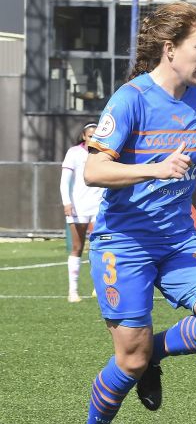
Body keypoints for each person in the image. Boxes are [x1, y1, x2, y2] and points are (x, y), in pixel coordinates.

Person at [74, 1, 196, 424]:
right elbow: (94, 170)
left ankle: (154, 355)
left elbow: (190, 170)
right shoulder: (130, 98)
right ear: (170, 49)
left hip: (178, 240)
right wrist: (154, 168)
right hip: (123, 243)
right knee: (127, 360)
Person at [60, 122, 105, 302]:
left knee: (101, 247)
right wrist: (66, 202)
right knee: (77, 247)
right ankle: (73, 290)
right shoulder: (74, 153)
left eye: (96, 135)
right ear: (84, 136)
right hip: (78, 206)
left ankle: (99, 287)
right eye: (90, 135)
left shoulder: (104, 153)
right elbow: (64, 181)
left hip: (99, 207)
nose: (93, 138)